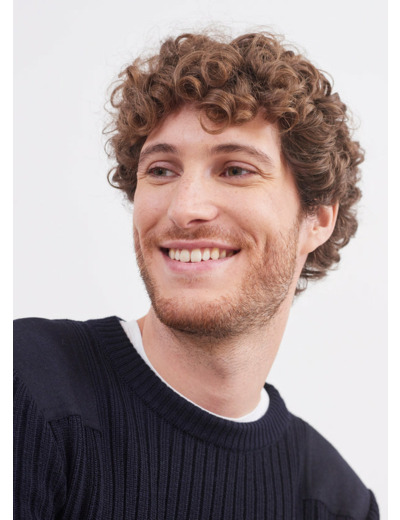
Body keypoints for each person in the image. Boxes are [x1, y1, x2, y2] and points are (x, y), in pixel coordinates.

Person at [14, 31, 379, 519]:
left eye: (235, 170)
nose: (185, 209)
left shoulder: (337, 503)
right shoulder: (23, 389)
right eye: (162, 171)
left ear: (318, 218)